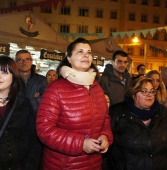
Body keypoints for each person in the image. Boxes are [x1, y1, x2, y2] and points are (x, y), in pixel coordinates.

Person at [36, 38, 113, 170]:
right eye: (80, 51)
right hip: (64, 164)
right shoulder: (55, 89)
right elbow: (44, 130)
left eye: (89, 52)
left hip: (93, 163)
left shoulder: (96, 87)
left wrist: (105, 136)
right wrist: (80, 144)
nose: (86, 55)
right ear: (69, 58)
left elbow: (105, 119)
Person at [108, 77, 167, 170]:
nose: (149, 95)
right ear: (134, 95)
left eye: (152, 91)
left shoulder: (165, 114)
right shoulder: (117, 113)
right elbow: (108, 150)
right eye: (144, 91)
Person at [0, 56, 41, 170]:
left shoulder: (23, 105)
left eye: (4, 72)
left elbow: (33, 138)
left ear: (13, 76)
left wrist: (30, 165)